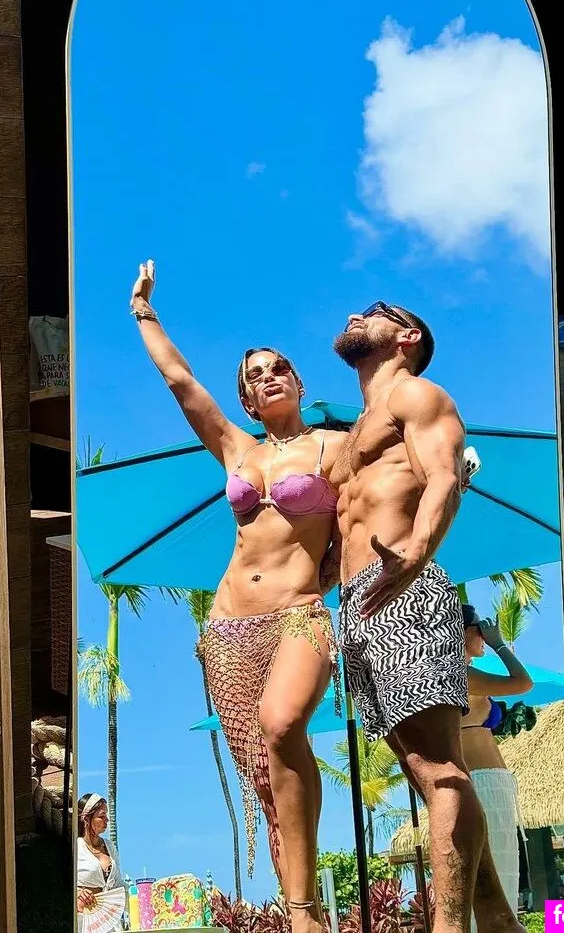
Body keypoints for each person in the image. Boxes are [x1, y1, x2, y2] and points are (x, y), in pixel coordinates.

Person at [129, 260, 347, 933]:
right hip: (228, 629)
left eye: (278, 367)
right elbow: (180, 381)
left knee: (281, 727)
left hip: (300, 617)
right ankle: (301, 912)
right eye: (255, 375)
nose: (268, 376)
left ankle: (303, 912)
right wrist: (144, 311)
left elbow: (376, 507)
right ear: (248, 400)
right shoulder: (237, 450)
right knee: (261, 779)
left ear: (299, 382)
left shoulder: (336, 448)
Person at [330, 300, 523, 933]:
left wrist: (414, 555)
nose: (356, 316)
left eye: (374, 312)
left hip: (404, 587)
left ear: (406, 336)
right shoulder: (356, 430)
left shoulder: (415, 394)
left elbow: (443, 476)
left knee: (439, 772)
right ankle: (498, 919)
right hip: (357, 602)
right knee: (424, 771)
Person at [462, 605, 533, 929]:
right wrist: (499, 643)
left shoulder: (465, 674)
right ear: (463, 632)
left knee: (503, 873)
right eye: (481, 628)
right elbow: (523, 683)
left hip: (490, 783)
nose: (485, 634)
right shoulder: (461, 674)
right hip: (483, 783)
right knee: (496, 873)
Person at [76, 793, 125, 928]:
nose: (107, 820)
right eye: (102, 816)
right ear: (86, 818)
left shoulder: (109, 846)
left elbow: (119, 884)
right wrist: (77, 893)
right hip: (84, 920)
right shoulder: (75, 847)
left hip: (111, 920)